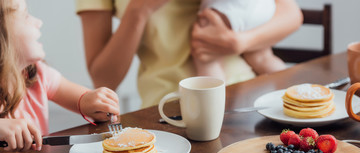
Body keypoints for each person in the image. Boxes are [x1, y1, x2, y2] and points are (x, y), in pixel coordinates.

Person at [76, 0, 302, 108]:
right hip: (165, 109)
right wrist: (139, 10)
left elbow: (291, 13)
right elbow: (103, 79)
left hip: (247, 99)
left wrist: (239, 42)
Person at [0, 0, 120, 152]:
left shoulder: (38, 74)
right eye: (25, 16)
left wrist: (92, 101)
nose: (38, 22)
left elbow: (81, 99)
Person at [194, 0, 287, 81]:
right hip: (261, 7)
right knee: (263, 58)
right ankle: (290, 89)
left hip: (225, 9)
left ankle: (216, 98)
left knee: (208, 57)